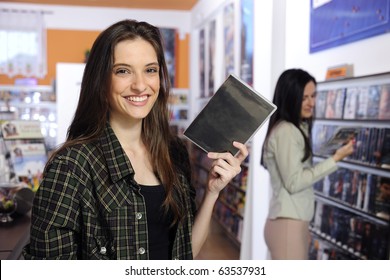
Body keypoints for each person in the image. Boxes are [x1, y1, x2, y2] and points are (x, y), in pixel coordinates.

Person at [23, 19, 248, 260]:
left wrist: (213, 192)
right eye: (123, 71)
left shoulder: (173, 152)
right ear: (101, 80)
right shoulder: (71, 167)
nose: (140, 85)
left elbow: (184, 254)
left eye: (150, 70)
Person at [260, 68, 354, 260]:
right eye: (305, 98)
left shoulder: (294, 128)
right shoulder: (286, 131)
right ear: (291, 98)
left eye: (313, 96)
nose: (312, 103)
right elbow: (294, 182)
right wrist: (335, 159)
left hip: (292, 223)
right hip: (288, 224)